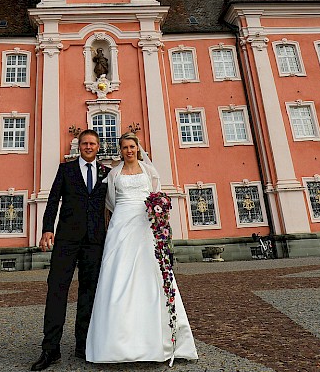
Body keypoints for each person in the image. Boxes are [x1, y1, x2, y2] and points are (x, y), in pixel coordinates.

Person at [86, 133, 198, 364]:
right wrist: (123, 215)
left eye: (132, 146)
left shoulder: (149, 171)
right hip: (121, 225)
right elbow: (111, 201)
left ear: (138, 148)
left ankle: (161, 340)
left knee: (151, 275)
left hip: (146, 227)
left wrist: (156, 212)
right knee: (118, 274)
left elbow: (155, 196)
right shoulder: (114, 174)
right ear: (120, 151)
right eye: (125, 147)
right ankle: (116, 344)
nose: (129, 151)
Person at [31, 129, 108, 371]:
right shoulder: (66, 170)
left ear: (98, 147)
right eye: (85, 143)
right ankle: (50, 349)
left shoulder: (107, 173)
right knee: (57, 290)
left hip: (94, 240)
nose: (88, 147)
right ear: (79, 146)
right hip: (66, 239)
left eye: (92, 144)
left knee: (89, 292)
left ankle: (83, 345)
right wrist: (47, 229)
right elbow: (53, 200)